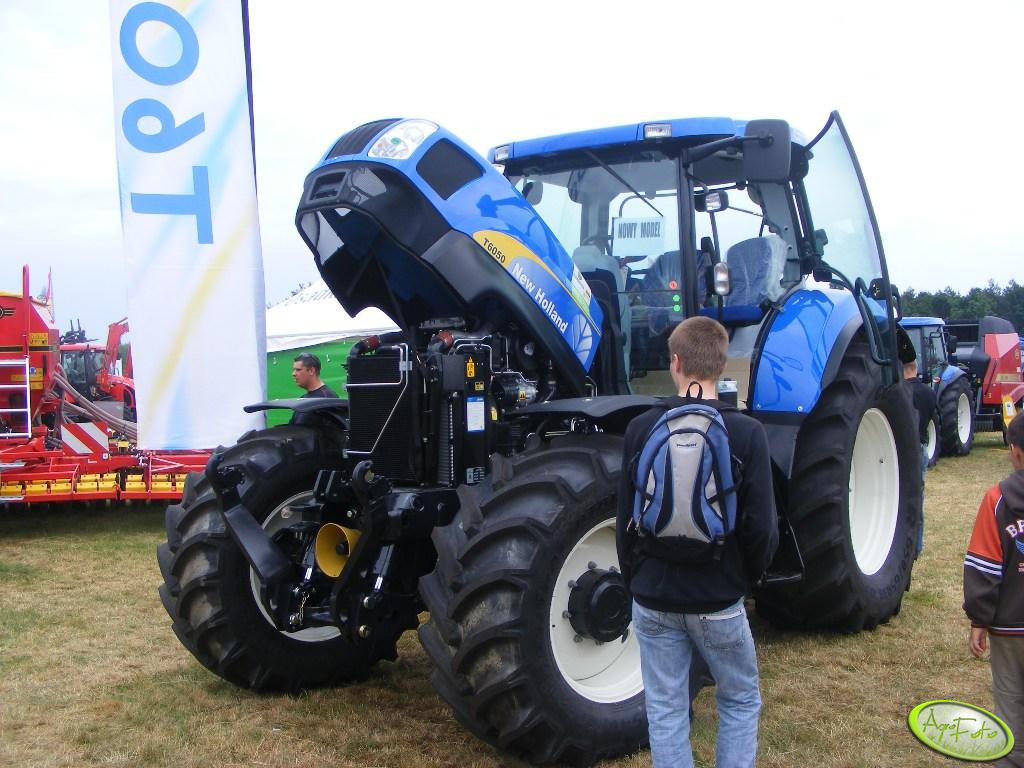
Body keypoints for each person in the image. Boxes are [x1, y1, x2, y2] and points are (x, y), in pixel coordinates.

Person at [616, 315, 778, 768]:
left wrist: (638, 580)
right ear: (721, 366)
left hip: (653, 593)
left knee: (665, 708)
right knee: (739, 700)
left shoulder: (640, 428)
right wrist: (745, 580)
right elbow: (761, 527)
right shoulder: (747, 432)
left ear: (675, 362)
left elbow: (624, 521)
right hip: (719, 595)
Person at [964, 410, 1024, 768]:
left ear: (1014, 450)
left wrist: (979, 619)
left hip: (1009, 626)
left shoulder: (997, 499)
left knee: (1009, 702)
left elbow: (984, 565)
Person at [903, 357, 936, 556]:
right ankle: (917, 546)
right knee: (918, 498)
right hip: (922, 447)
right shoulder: (929, 393)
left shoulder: (903, 394)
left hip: (906, 448)